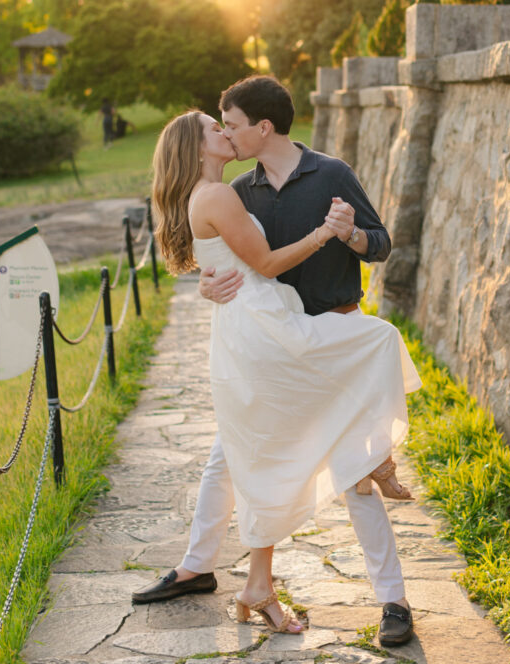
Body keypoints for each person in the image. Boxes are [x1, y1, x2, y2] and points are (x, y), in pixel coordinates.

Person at [135, 76, 421, 647]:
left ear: (263, 127)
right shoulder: (239, 189)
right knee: (228, 456)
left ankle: (393, 601)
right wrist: (208, 286)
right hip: (274, 343)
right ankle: (198, 567)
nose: (228, 131)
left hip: (330, 333)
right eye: (219, 126)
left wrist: (350, 237)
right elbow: (235, 256)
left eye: (232, 122)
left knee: (352, 470)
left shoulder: (332, 174)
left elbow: (382, 241)